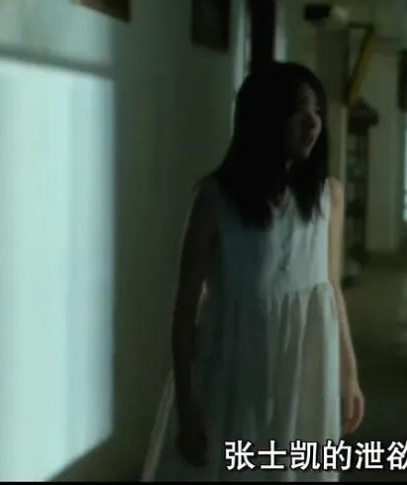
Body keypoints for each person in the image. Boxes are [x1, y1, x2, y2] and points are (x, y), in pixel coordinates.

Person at [141, 62, 365, 482]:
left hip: (304, 370)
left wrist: (348, 373)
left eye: (317, 111)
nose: (312, 123)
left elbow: (331, 288)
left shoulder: (327, 196)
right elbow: (184, 312)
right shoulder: (214, 200)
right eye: (298, 110)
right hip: (232, 368)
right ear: (264, 117)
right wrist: (186, 405)